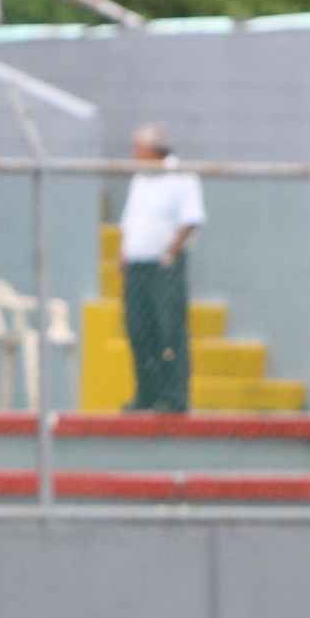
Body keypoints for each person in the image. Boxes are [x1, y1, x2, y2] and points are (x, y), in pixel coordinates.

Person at [117, 124, 205, 414]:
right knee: (140, 331)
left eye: (137, 148)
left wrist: (170, 252)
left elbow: (190, 219)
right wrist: (123, 252)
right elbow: (130, 220)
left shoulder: (182, 178)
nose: (133, 154)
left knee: (169, 331)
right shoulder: (140, 181)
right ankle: (146, 393)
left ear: (153, 150)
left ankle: (174, 397)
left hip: (164, 266)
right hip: (137, 265)